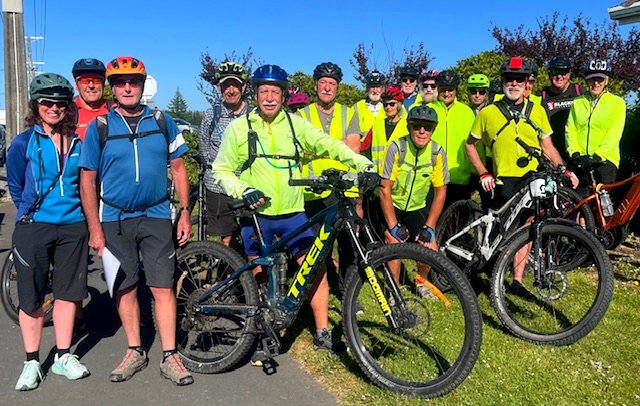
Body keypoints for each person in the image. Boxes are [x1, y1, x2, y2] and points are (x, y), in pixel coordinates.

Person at [211, 64, 375, 353]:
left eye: (275, 91)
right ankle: (261, 330)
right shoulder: (241, 128)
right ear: (256, 93)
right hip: (257, 214)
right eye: (264, 91)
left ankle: (322, 330)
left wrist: (362, 164)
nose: (270, 97)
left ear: (284, 95)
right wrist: (242, 190)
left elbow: (327, 144)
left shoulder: (294, 124)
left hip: (292, 212)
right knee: (259, 273)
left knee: (314, 267)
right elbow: (221, 169)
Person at [79, 56, 194, 386]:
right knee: (125, 287)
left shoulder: (162, 120)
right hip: (114, 218)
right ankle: (135, 351)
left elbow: (179, 168)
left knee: (162, 287)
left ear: (142, 86)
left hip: (157, 215)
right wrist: (95, 228)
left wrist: (184, 211)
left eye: (134, 81)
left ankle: (170, 356)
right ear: (112, 88)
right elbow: (88, 180)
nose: (127, 87)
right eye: (120, 82)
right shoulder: (99, 128)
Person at [465, 56, 578, 294]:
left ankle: (517, 280)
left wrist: (564, 169)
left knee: (528, 226)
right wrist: (483, 172)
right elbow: (470, 145)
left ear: (527, 82)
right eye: (509, 79)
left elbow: (548, 147)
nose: (514, 84)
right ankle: (487, 268)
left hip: (533, 177)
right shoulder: (488, 112)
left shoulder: (536, 110)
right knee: (501, 228)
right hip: (503, 177)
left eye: (519, 79)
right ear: (503, 81)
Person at [7, 73, 90, 390]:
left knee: (69, 293)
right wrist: (30, 213)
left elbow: (85, 185)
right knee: (32, 296)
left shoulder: (78, 143)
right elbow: (16, 184)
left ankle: (63, 356)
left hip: (72, 226)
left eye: (60, 103)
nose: (53, 108)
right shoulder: (23, 142)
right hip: (34, 227)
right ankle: (31, 361)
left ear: (68, 106)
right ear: (36, 105)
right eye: (46, 102)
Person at [298, 62, 361, 293]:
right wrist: (338, 144)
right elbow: (300, 150)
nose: (327, 87)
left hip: (343, 189)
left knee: (348, 246)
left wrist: (317, 147)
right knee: (315, 247)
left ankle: (349, 294)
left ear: (338, 88)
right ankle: (315, 291)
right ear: (315, 86)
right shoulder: (301, 115)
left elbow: (354, 147)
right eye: (323, 82)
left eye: (332, 84)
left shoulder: (349, 114)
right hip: (313, 191)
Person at [379, 105, 448, 298]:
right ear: (409, 127)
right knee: (394, 242)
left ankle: (421, 283)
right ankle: (394, 290)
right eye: (417, 126)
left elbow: (441, 192)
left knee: (429, 245)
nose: (422, 131)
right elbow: (384, 188)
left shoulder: (437, 152)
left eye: (428, 127)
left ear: (433, 129)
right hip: (393, 204)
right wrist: (393, 225)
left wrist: (430, 227)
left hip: (417, 207)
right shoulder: (397, 147)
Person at [198, 61, 250, 248]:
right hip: (219, 186)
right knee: (226, 239)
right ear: (219, 88)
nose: (230, 90)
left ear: (243, 87)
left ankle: (253, 275)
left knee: (250, 237)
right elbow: (203, 149)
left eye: (235, 85)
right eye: (226, 85)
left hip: (247, 184)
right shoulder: (211, 115)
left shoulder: (254, 116)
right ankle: (229, 274)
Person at [566, 59, 626, 197]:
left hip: (604, 162)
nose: (596, 83)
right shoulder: (577, 103)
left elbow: (614, 133)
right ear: (587, 81)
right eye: (592, 79)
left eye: (600, 79)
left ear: (606, 81)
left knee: (602, 206)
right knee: (581, 205)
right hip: (581, 161)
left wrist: (598, 156)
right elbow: (570, 129)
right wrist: (575, 153)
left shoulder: (617, 103)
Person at [430, 70, 477, 207]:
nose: (446, 94)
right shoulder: (429, 110)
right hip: (433, 178)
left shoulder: (466, 112)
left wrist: (474, 172)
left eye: (450, 90)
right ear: (437, 89)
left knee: (458, 224)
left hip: (459, 177)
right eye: (443, 90)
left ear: (456, 90)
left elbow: (475, 144)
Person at [541, 55, 587, 163]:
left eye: (564, 72)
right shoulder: (542, 96)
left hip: (578, 153)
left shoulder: (580, 92)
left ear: (569, 74)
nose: (559, 76)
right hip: (553, 154)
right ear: (549, 74)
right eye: (555, 71)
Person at [361, 87, 407, 169]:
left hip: (399, 174)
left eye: (392, 104)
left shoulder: (407, 126)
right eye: (385, 105)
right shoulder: (377, 125)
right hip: (378, 174)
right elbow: (364, 145)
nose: (388, 107)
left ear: (399, 105)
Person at [72, 58, 111, 140]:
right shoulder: (67, 112)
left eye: (96, 80)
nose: (91, 86)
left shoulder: (114, 109)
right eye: (85, 81)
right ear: (76, 85)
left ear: (103, 84)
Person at [352, 70, 386, 141]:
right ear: (367, 88)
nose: (375, 90)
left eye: (378, 87)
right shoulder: (357, 107)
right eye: (372, 87)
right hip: (362, 150)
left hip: (387, 151)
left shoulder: (390, 105)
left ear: (383, 89)